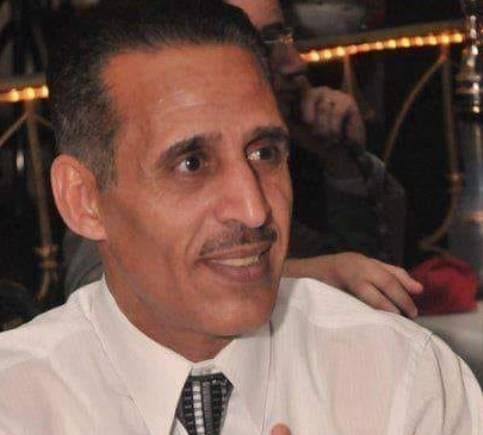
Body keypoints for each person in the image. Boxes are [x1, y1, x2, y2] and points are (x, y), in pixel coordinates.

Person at [0, 2, 480, 434]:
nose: (254, 209)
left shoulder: (401, 378)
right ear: (83, 200)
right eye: (192, 164)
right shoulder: (17, 404)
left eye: (264, 152)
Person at [61, 0, 422, 318]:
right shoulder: (128, 154)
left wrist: (340, 161)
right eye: (259, 42)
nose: (294, 64)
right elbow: (101, 293)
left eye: (282, 37)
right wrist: (318, 276)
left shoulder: (297, 140)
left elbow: (383, 276)